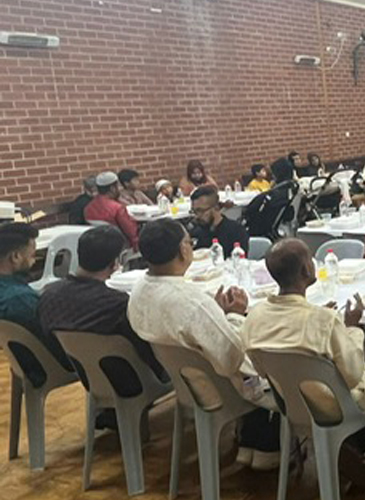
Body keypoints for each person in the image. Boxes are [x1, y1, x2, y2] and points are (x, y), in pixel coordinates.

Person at [127, 219, 279, 468]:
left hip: (186, 385)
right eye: (190, 242)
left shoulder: (139, 290)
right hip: (221, 390)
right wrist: (234, 316)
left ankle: (254, 442)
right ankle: (269, 445)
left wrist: (217, 315)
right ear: (183, 250)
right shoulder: (192, 302)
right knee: (274, 355)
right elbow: (232, 359)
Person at [242, 239, 365, 418]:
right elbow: (353, 375)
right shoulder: (325, 320)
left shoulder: (255, 316)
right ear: (306, 270)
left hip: (290, 402)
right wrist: (352, 327)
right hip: (338, 405)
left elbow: (262, 369)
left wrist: (319, 315)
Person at [38, 226, 167, 382]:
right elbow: (150, 355)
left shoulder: (48, 295)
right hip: (134, 382)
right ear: (115, 264)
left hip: (85, 377)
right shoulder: (118, 305)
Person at [243, 157, 296, 240]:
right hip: (278, 224)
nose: (272, 176)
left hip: (262, 227)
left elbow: (251, 209)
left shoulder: (272, 195)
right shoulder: (290, 190)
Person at [84, 172, 139, 250]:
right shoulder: (117, 208)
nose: (120, 189)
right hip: (121, 247)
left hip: (98, 247)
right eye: (119, 186)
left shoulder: (88, 208)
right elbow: (132, 233)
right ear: (112, 188)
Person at [190, 186, 250, 254]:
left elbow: (240, 258)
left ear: (216, 208)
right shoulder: (196, 234)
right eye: (194, 211)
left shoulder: (236, 231)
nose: (196, 216)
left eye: (200, 211)